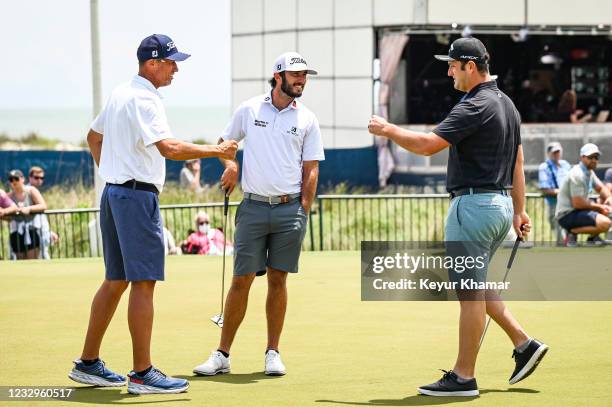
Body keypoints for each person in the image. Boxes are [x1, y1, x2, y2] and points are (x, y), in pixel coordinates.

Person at [368, 37, 548, 397]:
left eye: (452, 65)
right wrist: (519, 210)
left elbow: (427, 145)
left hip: (472, 207)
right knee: (478, 287)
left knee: (468, 294)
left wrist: (387, 129)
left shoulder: (474, 105)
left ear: (469, 65)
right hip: (497, 208)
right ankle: (524, 343)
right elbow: (518, 164)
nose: (448, 71)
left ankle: (464, 377)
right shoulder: (507, 104)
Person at [68, 34, 237, 395]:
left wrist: (112, 172)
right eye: (172, 62)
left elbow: (93, 137)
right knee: (143, 282)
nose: (176, 69)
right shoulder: (145, 98)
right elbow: (171, 149)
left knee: (115, 280)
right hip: (136, 196)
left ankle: (88, 363)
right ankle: (143, 373)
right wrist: (217, 149)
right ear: (153, 63)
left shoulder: (119, 93)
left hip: (115, 194)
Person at [193, 51, 324, 377]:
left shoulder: (307, 118)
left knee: (278, 281)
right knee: (241, 280)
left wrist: (303, 211)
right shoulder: (250, 109)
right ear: (277, 76)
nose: (301, 80)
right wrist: (231, 164)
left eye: (305, 75)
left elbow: (311, 169)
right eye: (295, 75)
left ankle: (272, 353)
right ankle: (222, 354)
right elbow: (224, 143)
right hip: (252, 207)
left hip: (288, 209)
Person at [555, 143, 612, 247]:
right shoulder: (577, 174)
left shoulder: (589, 172)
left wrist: (609, 198)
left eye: (596, 157)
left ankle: (592, 238)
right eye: (590, 157)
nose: (594, 160)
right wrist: (601, 207)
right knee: (606, 223)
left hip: (577, 211)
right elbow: (578, 203)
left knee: (606, 211)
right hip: (566, 215)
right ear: (582, 157)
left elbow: (601, 188)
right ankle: (571, 233)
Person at [6, 169, 47, 260]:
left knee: (32, 260)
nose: (14, 182)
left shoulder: (31, 191)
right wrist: (10, 213)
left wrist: (29, 209)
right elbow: (5, 215)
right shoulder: (8, 196)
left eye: (16, 179)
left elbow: (43, 205)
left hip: (32, 229)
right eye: (11, 180)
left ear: (22, 179)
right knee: (21, 261)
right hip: (16, 232)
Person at [538, 142, 571, 244]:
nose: (557, 154)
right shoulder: (544, 167)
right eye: (554, 152)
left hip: (569, 205)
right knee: (561, 237)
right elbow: (545, 189)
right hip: (555, 206)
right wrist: (564, 192)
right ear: (548, 153)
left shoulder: (565, 164)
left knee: (570, 235)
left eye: (558, 151)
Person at [27, 166, 59, 258]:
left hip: (41, 232)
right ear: (30, 177)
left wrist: (49, 232)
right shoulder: (27, 191)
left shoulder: (35, 191)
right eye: (36, 178)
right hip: (33, 234)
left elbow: (40, 216)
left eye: (41, 178)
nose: (39, 180)